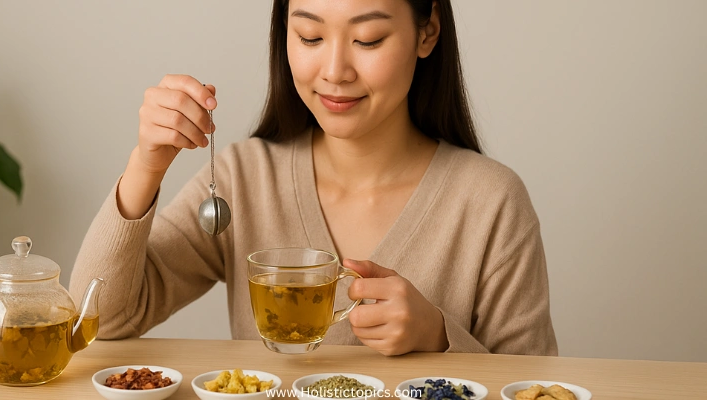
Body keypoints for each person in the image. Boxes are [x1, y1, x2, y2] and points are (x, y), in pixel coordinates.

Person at [70, 0, 558, 356]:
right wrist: (146, 166)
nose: (335, 70)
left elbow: (535, 386)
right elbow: (101, 320)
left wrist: (438, 338)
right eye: (309, 37)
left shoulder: (492, 201)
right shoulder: (243, 178)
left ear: (427, 32)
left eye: (368, 40)